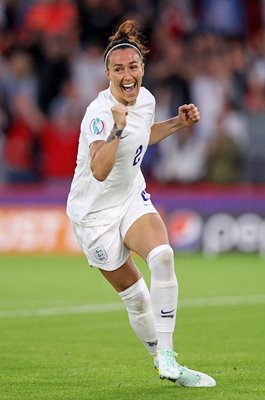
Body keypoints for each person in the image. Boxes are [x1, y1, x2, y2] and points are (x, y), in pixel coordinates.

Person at [66, 20, 216, 388]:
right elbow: (100, 170)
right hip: (94, 216)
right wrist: (116, 128)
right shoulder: (99, 115)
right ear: (107, 74)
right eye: (118, 69)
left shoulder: (146, 99)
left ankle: (169, 358)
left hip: (130, 195)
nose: (127, 74)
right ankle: (158, 356)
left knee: (163, 255)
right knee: (137, 300)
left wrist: (177, 124)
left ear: (142, 69)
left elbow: (142, 135)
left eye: (133, 67)